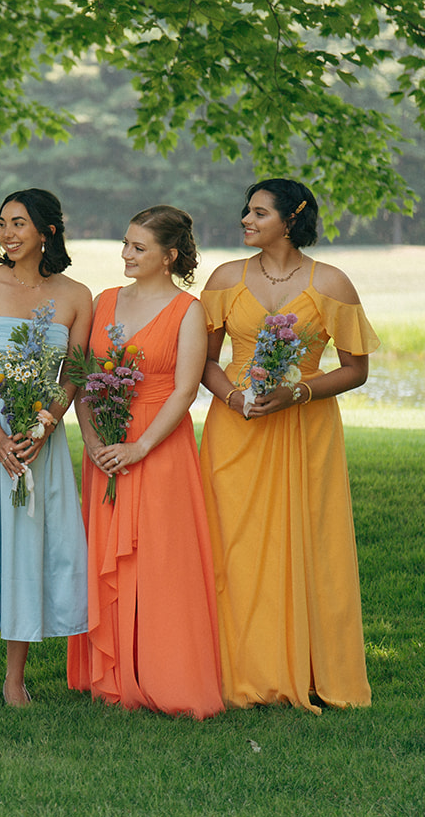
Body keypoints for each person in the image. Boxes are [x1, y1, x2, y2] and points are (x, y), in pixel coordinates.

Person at [197, 179, 377, 712]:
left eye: (258, 212)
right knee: (233, 545)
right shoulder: (226, 278)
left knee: (306, 541)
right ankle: (237, 670)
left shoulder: (333, 284)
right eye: (246, 210)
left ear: (290, 219)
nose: (245, 220)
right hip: (236, 425)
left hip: (305, 429)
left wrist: (297, 391)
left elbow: (356, 370)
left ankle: (308, 667)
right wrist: (233, 398)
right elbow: (207, 360)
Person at [66, 206, 223, 718]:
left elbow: (184, 391)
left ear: (168, 256)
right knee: (110, 553)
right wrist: (91, 438)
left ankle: (166, 673)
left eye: (139, 247)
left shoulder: (188, 310)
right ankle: (112, 674)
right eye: (126, 244)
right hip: (105, 446)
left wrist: (140, 447)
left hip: (159, 446)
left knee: (161, 559)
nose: (126, 254)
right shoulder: (104, 300)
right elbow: (85, 376)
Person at [0, 188, 90, 707]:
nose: (7, 233)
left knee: (27, 549)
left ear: (46, 232)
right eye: (3, 223)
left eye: (19, 224)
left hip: (39, 439)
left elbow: (73, 370)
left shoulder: (76, 295)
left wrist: (47, 423)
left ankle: (15, 677)